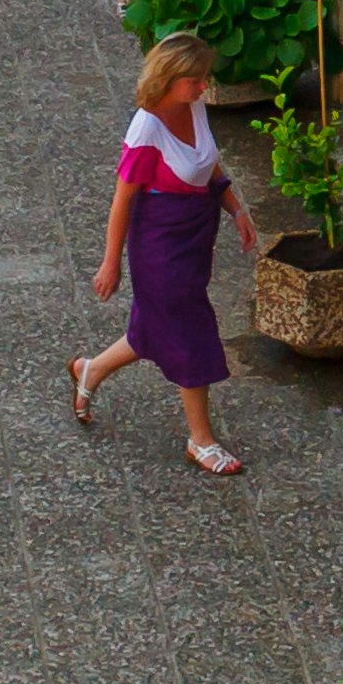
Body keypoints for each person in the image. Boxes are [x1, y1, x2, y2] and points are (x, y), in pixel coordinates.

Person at [69, 35, 273, 477]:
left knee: (153, 329)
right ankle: (201, 440)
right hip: (160, 246)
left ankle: (90, 371)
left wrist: (236, 208)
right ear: (168, 78)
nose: (203, 88)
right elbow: (122, 201)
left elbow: (208, 165)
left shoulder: (194, 106)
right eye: (195, 81)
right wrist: (111, 264)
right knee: (189, 331)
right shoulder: (147, 128)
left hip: (195, 237)